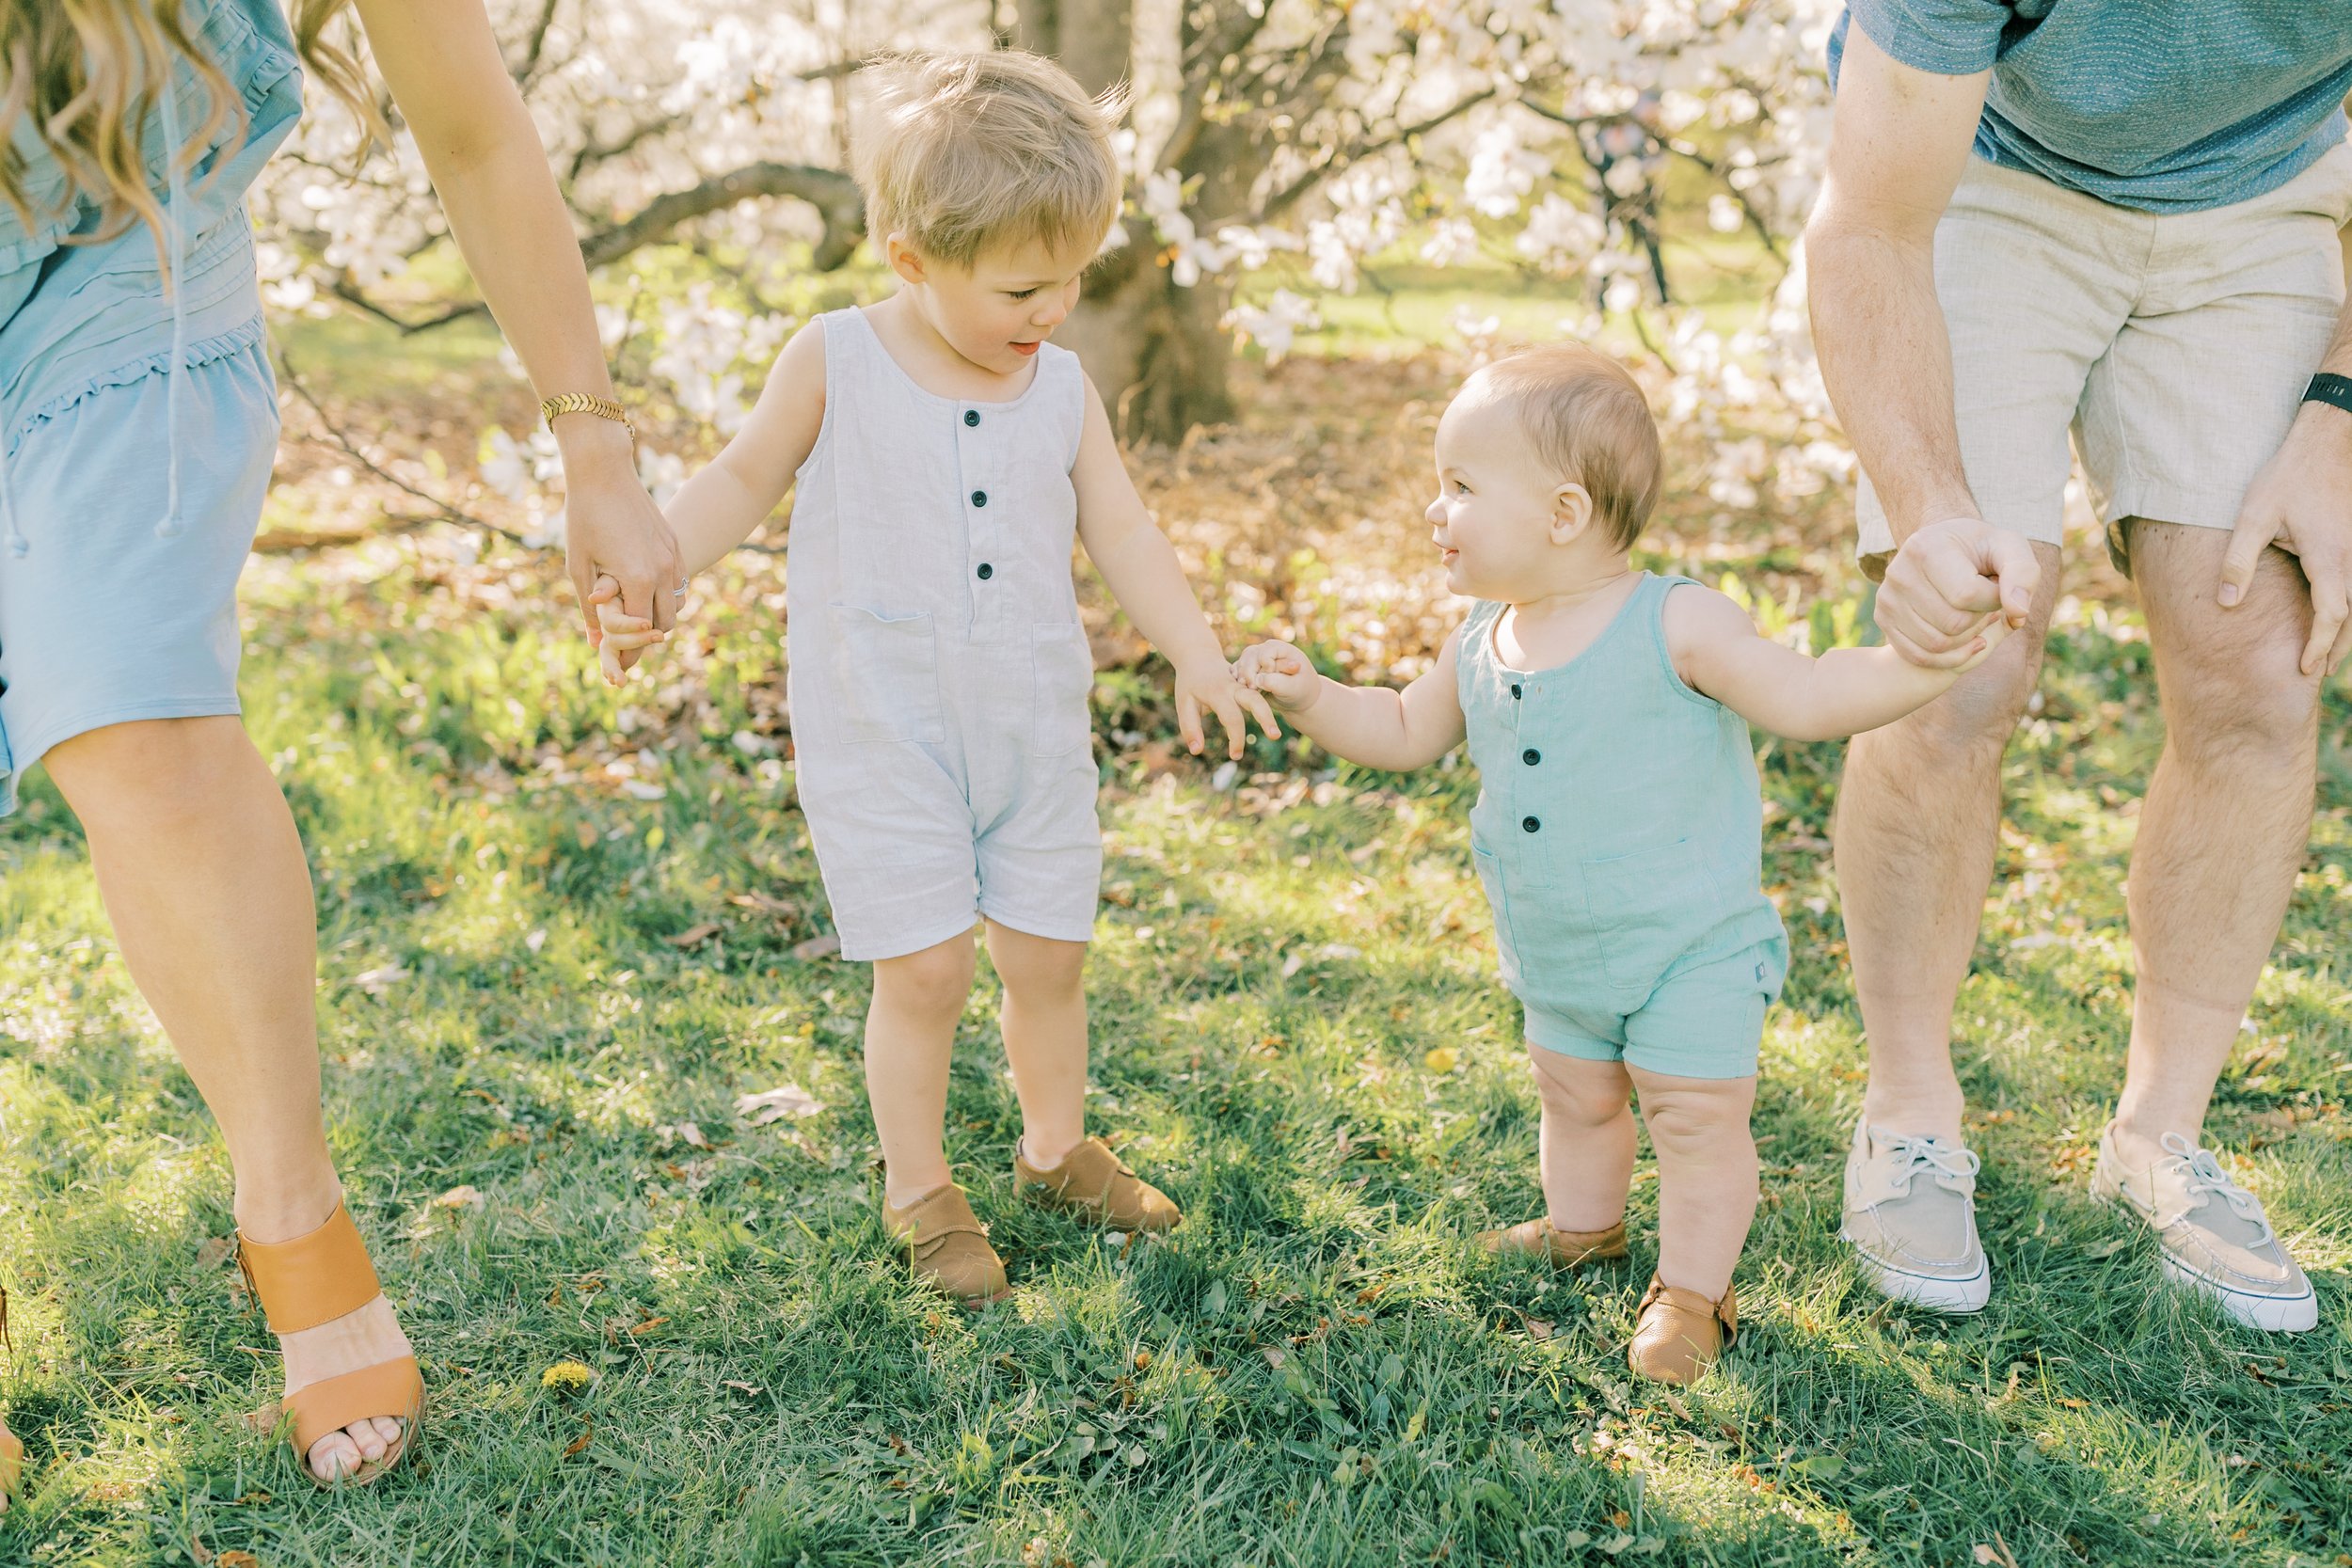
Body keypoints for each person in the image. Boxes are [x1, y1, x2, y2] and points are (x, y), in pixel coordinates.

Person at [0, 0, 676, 1491]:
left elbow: (475, 128)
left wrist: (595, 447)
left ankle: (293, 1213)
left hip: (133, 270)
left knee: (136, 723)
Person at [594, 51, 1276, 1307]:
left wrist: (1193, 646)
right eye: (1023, 284)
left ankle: (1055, 1145)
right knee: (926, 969)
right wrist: (660, 564)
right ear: (912, 259)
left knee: (1048, 950)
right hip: (882, 725)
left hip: (1029, 724)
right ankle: (920, 1185)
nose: (1055, 307)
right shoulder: (835, 357)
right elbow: (744, 475)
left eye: (1075, 275)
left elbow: (1121, 527)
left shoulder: (1061, 387)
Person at [1232, 343, 2010, 1383]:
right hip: (1555, 953)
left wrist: (1918, 664)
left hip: (1684, 949)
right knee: (1576, 1097)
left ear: (1562, 514)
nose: (1435, 509)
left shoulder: (1673, 620)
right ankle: (1583, 1227)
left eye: (1460, 486)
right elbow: (1403, 727)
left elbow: (1805, 693)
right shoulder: (1480, 636)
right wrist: (1313, 695)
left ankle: (1693, 1292)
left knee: (1692, 1118)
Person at [1807, 2, 2352, 1330]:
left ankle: (2159, 1138)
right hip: (1984, 179)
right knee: (1963, 655)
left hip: (2261, 200)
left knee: (2262, 667)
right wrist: (1933, 509)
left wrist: (2339, 414)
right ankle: (1909, 1114)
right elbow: (1870, 224)